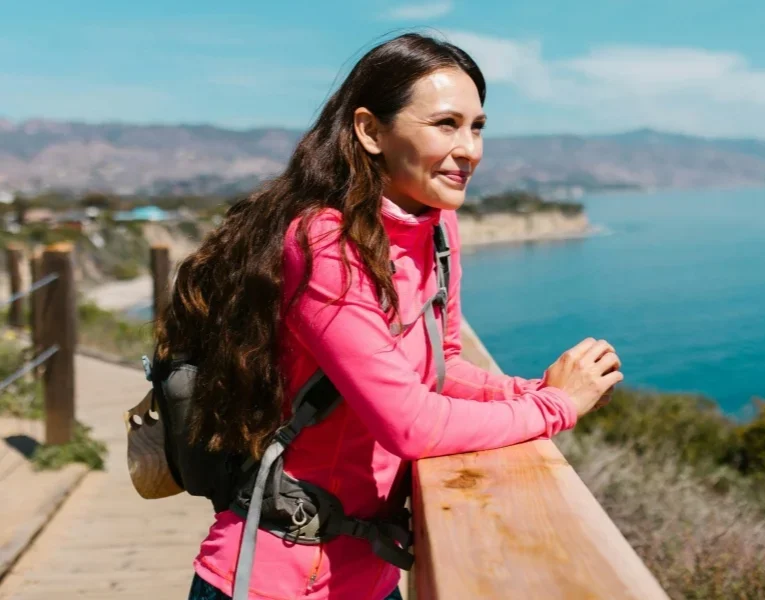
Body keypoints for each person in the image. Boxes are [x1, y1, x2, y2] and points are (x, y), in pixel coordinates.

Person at [155, 32, 623, 600]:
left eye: (477, 127)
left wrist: (529, 389)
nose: (470, 149)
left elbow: (441, 368)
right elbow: (410, 424)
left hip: (371, 573)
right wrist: (557, 406)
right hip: (274, 578)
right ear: (370, 131)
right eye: (445, 124)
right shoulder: (326, 244)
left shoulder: (437, 229)